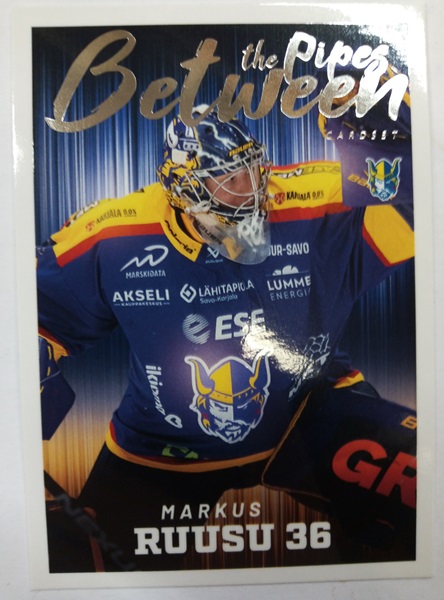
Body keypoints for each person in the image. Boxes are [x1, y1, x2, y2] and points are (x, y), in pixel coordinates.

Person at [38, 104, 415, 572]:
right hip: (164, 447)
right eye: (228, 179)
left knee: (422, 509)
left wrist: (396, 141)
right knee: (86, 565)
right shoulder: (113, 233)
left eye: (251, 170)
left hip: (312, 411)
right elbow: (33, 310)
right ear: (185, 189)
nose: (251, 189)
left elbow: (413, 212)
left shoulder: (315, 197)